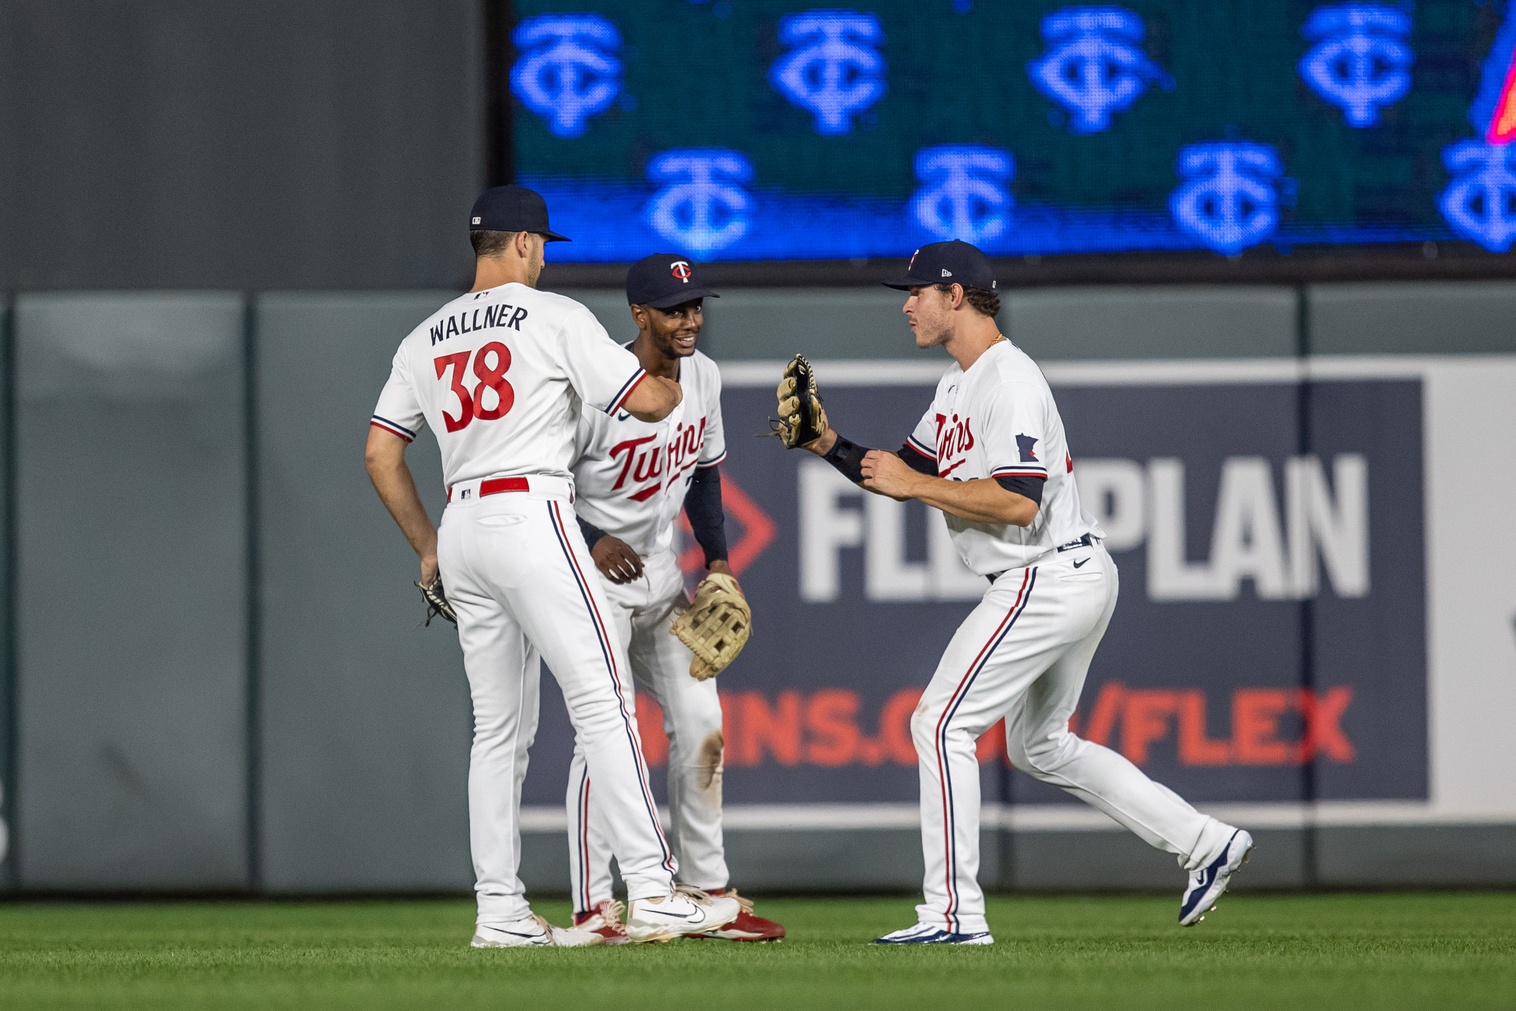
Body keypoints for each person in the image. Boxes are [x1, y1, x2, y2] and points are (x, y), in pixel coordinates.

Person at [781, 240, 1252, 945]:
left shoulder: (1010, 378)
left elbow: (1019, 502)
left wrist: (918, 485)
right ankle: (1206, 840)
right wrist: (826, 443)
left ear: (957, 296)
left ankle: (952, 916)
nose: (906, 305)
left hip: (1047, 570)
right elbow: (898, 472)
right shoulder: (956, 385)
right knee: (1041, 745)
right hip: (1064, 572)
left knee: (939, 724)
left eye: (917, 292)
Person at [364, 186, 739, 947]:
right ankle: (657, 890)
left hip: (463, 521)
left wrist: (429, 546)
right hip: (532, 509)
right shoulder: (553, 315)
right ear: (527, 244)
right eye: (543, 247)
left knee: (497, 731)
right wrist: (673, 384)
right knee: (603, 703)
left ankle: (499, 910)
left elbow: (380, 451)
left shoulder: (422, 337)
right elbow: (649, 402)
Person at [562, 254, 785, 944]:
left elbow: (705, 479)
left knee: (702, 725)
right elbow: (541, 484)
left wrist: (718, 560)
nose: (689, 321)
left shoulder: (706, 377)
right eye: (673, 310)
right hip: (592, 578)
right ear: (638, 314)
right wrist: (594, 534)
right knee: (606, 733)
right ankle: (594, 906)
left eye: (694, 307)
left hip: (661, 578)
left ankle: (709, 890)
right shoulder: (598, 388)